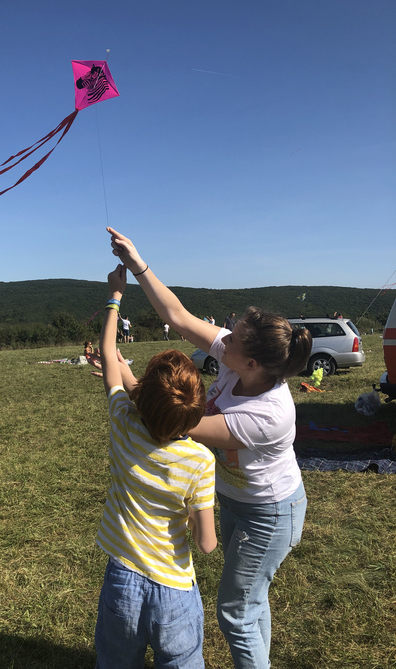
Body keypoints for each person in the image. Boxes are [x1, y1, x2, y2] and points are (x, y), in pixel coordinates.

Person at [108, 227, 312, 669]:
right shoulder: (241, 359)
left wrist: (123, 375)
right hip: (237, 499)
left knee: (236, 613)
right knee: (252, 602)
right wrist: (139, 263)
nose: (224, 340)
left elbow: (175, 419)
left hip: (270, 511)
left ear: (252, 363)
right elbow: (178, 316)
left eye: (233, 340)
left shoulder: (269, 414)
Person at [94, 264, 217, 668]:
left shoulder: (124, 424)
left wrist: (116, 297)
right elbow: (206, 543)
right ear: (195, 413)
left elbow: (111, 358)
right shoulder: (200, 461)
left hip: (121, 581)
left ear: (142, 397)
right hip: (175, 592)